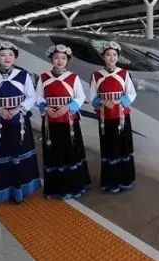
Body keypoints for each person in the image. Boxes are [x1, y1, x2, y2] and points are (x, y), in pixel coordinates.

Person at [0, 41, 41, 204]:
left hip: (20, 120)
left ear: (15, 57)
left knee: (21, 152)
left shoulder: (23, 75)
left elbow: (31, 96)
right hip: (0, 122)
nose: (7, 58)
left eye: (11, 55)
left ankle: (23, 189)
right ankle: (8, 191)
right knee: (5, 154)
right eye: (3, 55)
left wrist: (18, 109)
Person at [36, 44, 91, 199]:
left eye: (63, 58)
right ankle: (56, 189)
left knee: (70, 153)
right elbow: (38, 96)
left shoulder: (73, 77)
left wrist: (68, 108)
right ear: (51, 59)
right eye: (56, 58)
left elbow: (80, 97)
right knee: (54, 154)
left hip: (69, 121)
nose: (59, 61)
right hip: (50, 121)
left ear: (67, 60)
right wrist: (45, 108)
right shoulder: (43, 77)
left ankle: (73, 187)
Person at [89, 41, 137, 193]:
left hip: (122, 117)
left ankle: (125, 180)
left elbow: (131, 93)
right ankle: (111, 182)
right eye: (108, 55)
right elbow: (92, 97)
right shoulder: (96, 75)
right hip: (105, 118)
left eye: (114, 55)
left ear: (118, 56)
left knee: (123, 147)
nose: (111, 58)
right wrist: (103, 102)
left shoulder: (124, 73)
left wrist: (118, 101)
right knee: (109, 148)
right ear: (103, 57)